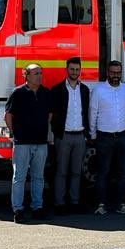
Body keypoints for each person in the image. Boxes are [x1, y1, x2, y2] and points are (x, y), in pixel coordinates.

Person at [4, 64, 53, 223]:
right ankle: (18, 209)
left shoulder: (46, 93)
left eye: (41, 73)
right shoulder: (18, 93)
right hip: (22, 142)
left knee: (38, 177)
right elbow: (8, 116)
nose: (39, 76)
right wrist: (15, 133)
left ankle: (37, 207)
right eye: (36, 73)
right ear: (26, 75)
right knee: (19, 177)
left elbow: (49, 115)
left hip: (40, 142)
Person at [89, 60, 125, 216]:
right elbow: (93, 113)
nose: (116, 76)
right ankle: (101, 204)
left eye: (118, 72)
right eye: (113, 72)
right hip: (104, 136)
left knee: (123, 172)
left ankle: (122, 204)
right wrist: (93, 134)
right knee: (103, 172)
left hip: (123, 135)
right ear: (107, 72)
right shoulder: (98, 90)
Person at [50, 56, 90, 214]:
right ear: (67, 70)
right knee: (61, 171)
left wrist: (88, 134)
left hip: (80, 136)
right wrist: (53, 134)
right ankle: (59, 203)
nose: (75, 72)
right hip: (63, 136)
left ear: (80, 70)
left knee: (76, 171)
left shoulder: (85, 90)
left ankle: (75, 202)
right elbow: (52, 115)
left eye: (77, 69)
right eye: (72, 69)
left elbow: (87, 112)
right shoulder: (57, 89)